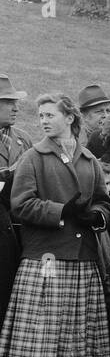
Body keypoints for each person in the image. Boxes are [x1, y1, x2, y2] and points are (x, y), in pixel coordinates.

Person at [0, 93, 110, 357]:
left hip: (81, 256)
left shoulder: (89, 160)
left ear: (70, 118)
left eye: (50, 114)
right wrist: (62, 212)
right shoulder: (34, 158)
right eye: (41, 115)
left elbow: (106, 203)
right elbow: (20, 205)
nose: (44, 120)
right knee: (40, 332)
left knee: (71, 332)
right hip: (44, 256)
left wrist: (97, 216)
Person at [0, 77, 33, 334]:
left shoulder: (24, 139)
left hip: (22, 230)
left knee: (17, 296)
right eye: (9, 102)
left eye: (15, 102)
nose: (16, 108)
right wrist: (11, 174)